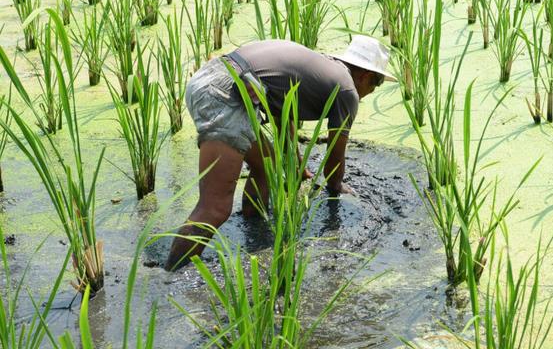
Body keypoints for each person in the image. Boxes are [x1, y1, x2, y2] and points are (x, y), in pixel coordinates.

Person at [165, 35, 396, 271]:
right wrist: (336, 187)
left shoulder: (320, 69)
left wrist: (298, 166)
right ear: (366, 76)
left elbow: (282, 115)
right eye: (376, 85)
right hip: (226, 95)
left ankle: (254, 226)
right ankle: (170, 274)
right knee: (215, 208)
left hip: (212, 78)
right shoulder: (347, 89)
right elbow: (335, 156)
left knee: (269, 164)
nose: (370, 92)